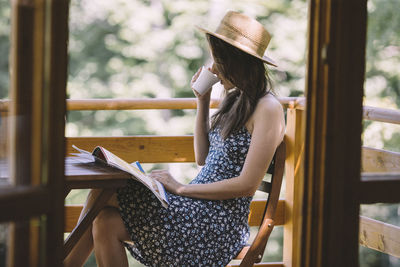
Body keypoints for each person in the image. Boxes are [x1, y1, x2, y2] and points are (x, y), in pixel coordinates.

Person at [64, 10, 285, 267]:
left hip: (215, 224)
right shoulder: (236, 99)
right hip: (194, 208)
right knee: (104, 222)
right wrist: (202, 101)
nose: (213, 68)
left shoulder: (269, 108)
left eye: (218, 61)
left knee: (105, 188)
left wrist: (180, 188)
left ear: (235, 62)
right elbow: (203, 157)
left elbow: (247, 185)